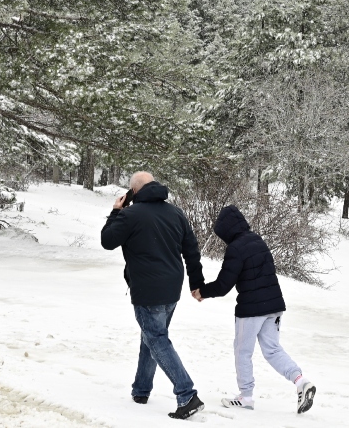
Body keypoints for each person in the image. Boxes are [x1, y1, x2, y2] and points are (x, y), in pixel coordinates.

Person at [101, 171, 206, 420]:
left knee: (156, 339)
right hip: (171, 288)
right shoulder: (175, 213)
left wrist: (116, 211)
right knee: (151, 336)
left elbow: (107, 241)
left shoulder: (129, 214)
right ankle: (141, 389)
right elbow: (192, 250)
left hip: (148, 289)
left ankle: (187, 394)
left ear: (133, 192)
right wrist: (196, 283)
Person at [192, 205, 316, 414]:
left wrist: (202, 292)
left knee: (242, 351)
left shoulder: (236, 248)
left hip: (251, 309)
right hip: (274, 306)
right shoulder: (258, 240)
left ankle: (246, 397)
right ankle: (301, 381)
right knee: (273, 350)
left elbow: (224, 285)